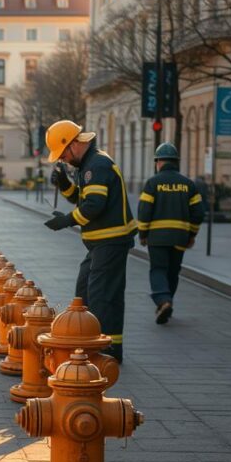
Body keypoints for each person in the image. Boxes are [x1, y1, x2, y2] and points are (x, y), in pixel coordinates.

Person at [43, 120, 137, 362]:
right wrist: (65, 185)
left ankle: (108, 348)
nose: (62, 159)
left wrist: (66, 221)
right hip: (100, 242)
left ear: (74, 144)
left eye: (63, 154)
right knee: (84, 293)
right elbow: (82, 199)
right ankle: (92, 342)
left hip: (111, 240)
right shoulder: (88, 165)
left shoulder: (97, 165)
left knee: (102, 296)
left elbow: (94, 206)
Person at [137, 143, 204, 324]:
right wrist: (192, 235)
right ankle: (167, 303)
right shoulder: (188, 184)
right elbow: (198, 213)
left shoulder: (153, 183)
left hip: (157, 238)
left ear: (158, 162)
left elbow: (144, 211)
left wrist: (143, 234)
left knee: (158, 269)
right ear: (176, 162)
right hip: (180, 237)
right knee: (173, 272)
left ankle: (163, 300)